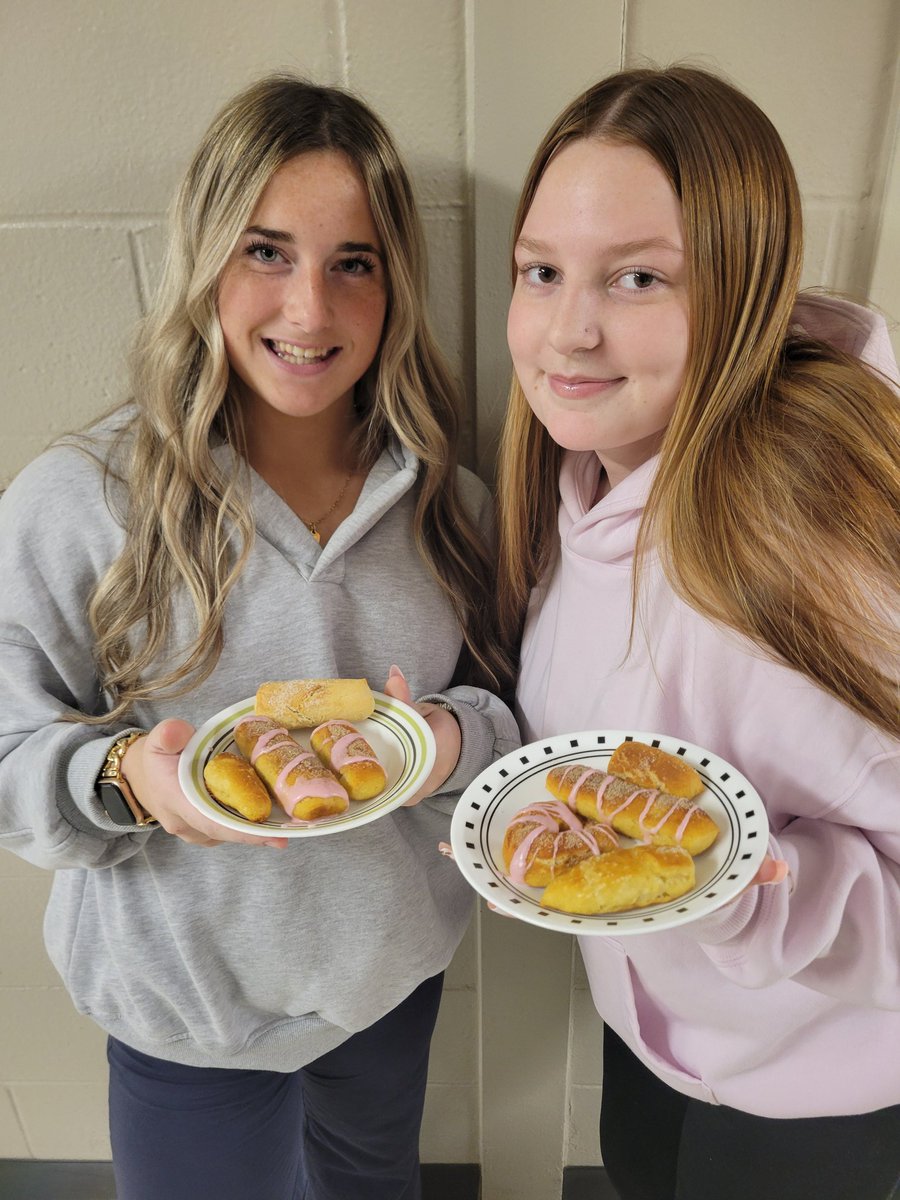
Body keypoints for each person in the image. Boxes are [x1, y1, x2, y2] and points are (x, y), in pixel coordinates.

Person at [0, 73, 517, 1200]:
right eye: (265, 252)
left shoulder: (457, 510)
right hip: (182, 1008)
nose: (310, 312)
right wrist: (128, 778)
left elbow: (508, 723)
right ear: (202, 260)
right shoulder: (78, 500)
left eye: (354, 263)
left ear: (397, 285)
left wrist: (446, 742)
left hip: (388, 983)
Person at [495, 65, 900, 1200]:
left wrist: (740, 884)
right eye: (542, 271)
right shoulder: (578, 480)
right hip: (657, 1041)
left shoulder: (820, 551)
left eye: (637, 278)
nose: (568, 332)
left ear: (741, 289)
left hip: (817, 1094)